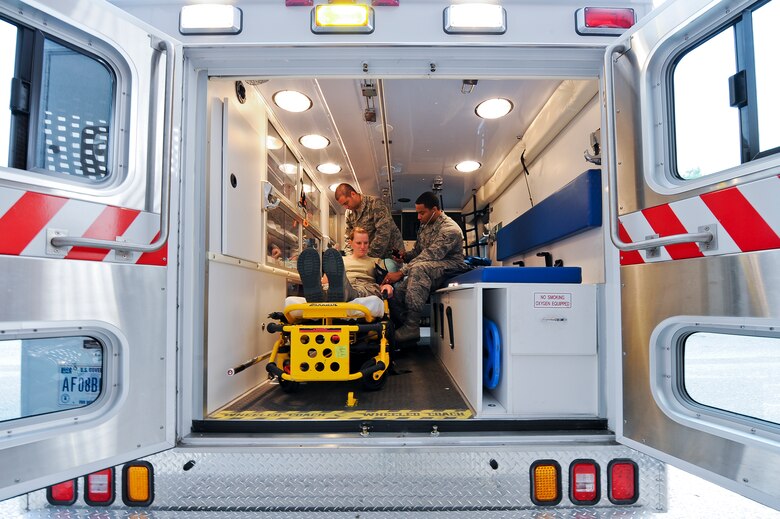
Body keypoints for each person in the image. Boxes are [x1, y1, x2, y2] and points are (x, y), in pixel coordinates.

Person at [382, 191, 471, 343]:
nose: (418, 217)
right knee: (397, 292)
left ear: (435, 210)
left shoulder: (450, 230)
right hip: (431, 264)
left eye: (422, 213)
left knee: (419, 269)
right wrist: (404, 256)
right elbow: (418, 252)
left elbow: (430, 255)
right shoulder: (425, 226)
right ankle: (404, 328)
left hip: (451, 266)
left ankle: (412, 327)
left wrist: (401, 272)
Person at [297, 228, 393, 303]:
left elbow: (383, 284)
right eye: (359, 243)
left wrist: (388, 287)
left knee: (366, 290)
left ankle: (343, 292)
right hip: (337, 285)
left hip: (362, 286)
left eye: (366, 243)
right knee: (331, 287)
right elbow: (325, 280)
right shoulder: (339, 260)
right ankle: (318, 293)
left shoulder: (376, 261)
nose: (363, 247)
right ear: (351, 243)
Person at [335, 183, 404, 260]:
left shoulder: (375, 204)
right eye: (343, 205)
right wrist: (351, 259)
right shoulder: (349, 214)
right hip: (368, 257)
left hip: (391, 255)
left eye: (346, 203)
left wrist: (366, 258)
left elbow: (383, 233)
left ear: (353, 194)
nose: (346, 207)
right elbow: (349, 238)